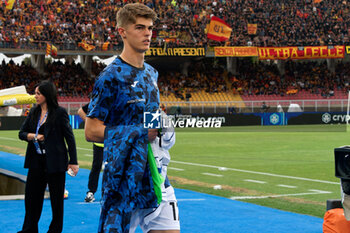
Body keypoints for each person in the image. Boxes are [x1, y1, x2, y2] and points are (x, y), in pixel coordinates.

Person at [85, 3, 179, 233]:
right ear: (122, 32)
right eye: (139, 27)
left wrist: (162, 123)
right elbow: (91, 130)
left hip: (156, 176)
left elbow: (149, 117)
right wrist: (137, 133)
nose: (147, 33)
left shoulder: (151, 73)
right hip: (123, 180)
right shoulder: (110, 76)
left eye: (149, 28)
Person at [18, 80, 79, 233]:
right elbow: (22, 133)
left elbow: (69, 138)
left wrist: (73, 161)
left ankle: (55, 230)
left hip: (56, 162)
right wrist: (33, 136)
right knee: (31, 199)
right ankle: (29, 229)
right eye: (35, 93)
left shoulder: (60, 113)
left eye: (38, 93)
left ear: (46, 95)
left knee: (57, 201)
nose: (35, 96)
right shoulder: (33, 112)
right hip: (36, 162)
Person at [78, 104, 104, 202]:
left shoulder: (116, 100)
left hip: (113, 140)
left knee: (114, 167)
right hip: (99, 142)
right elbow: (80, 110)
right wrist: (89, 123)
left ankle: (111, 192)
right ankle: (91, 192)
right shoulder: (97, 102)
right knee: (96, 166)